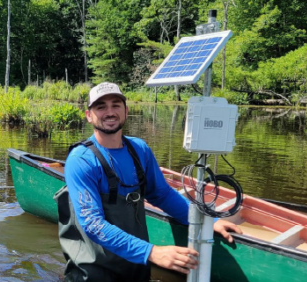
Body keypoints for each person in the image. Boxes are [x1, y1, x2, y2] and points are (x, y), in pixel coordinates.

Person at [57, 82, 243, 282]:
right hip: (94, 271)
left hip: (136, 265)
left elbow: (162, 194)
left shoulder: (140, 149)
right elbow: (92, 224)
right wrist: (152, 252)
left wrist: (208, 222)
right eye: (101, 107)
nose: (109, 112)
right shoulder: (81, 160)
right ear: (88, 115)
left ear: (126, 111)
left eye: (116, 105)